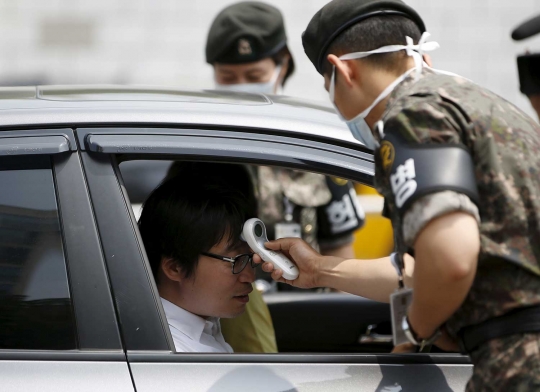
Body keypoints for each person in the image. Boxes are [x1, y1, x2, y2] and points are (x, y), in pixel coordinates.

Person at [256, 0, 540, 390]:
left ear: (343, 71)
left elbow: (450, 261)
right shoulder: (479, 104)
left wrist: (414, 330)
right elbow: (419, 271)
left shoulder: (414, 117)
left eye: (329, 89)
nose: (335, 104)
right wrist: (320, 270)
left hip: (520, 360)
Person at [205, 1, 365, 353]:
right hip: (223, 334)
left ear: (282, 66)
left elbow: (341, 254)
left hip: (307, 324)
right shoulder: (199, 153)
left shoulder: (312, 147)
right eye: (228, 78)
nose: (240, 87)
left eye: (253, 76)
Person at [138, 168, 258, 353]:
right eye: (235, 260)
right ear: (175, 268)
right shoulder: (170, 353)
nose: (249, 276)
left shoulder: (206, 326)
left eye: (249, 258)